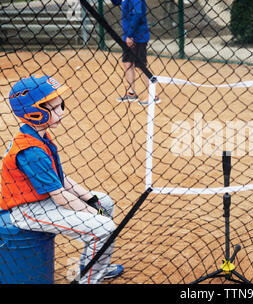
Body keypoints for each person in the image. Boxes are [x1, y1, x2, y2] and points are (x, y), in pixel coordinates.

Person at [0, 75, 123, 283]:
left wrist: (91, 199)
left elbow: (60, 178)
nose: (61, 113)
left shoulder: (39, 135)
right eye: (53, 109)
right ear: (33, 111)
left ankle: (95, 264)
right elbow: (59, 196)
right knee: (104, 228)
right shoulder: (31, 150)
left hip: (44, 200)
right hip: (26, 210)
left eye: (61, 106)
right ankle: (89, 279)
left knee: (105, 202)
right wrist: (93, 213)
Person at [112, 0, 158, 103]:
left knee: (141, 66)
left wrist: (130, 35)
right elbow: (116, 2)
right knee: (127, 63)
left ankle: (153, 95)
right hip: (129, 36)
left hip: (137, 36)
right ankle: (131, 93)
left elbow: (138, 14)